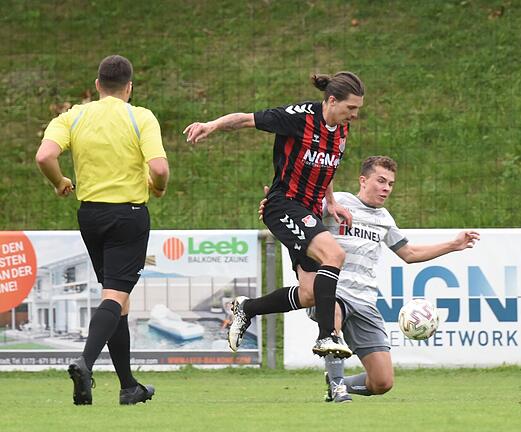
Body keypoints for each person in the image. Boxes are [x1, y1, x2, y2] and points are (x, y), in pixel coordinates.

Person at [261, 156, 480, 403]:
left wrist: (453, 244)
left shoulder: (385, 219)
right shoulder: (337, 202)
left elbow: (409, 254)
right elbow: (299, 217)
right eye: (381, 181)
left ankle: (340, 383)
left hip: (364, 300)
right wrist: (276, 207)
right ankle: (337, 387)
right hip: (331, 290)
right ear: (363, 180)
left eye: (390, 184)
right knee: (332, 311)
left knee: (382, 382)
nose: (386, 188)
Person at [184, 72, 365, 358]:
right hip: (284, 205)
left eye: (357, 109)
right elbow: (246, 119)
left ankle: (247, 308)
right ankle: (327, 336)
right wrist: (212, 125)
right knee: (335, 256)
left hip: (308, 212)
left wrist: (330, 201)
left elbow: (326, 166)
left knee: (309, 294)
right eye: (351, 108)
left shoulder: (341, 129)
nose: (355, 115)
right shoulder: (299, 117)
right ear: (331, 100)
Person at [35, 55, 169, 405]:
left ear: (96, 86)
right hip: (128, 215)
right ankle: (85, 363)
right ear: (129, 87)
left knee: (117, 300)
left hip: (90, 216)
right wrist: (158, 186)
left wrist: (60, 181)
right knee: (114, 296)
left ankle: (128, 387)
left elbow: (44, 156)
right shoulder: (140, 116)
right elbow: (159, 167)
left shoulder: (72, 116)